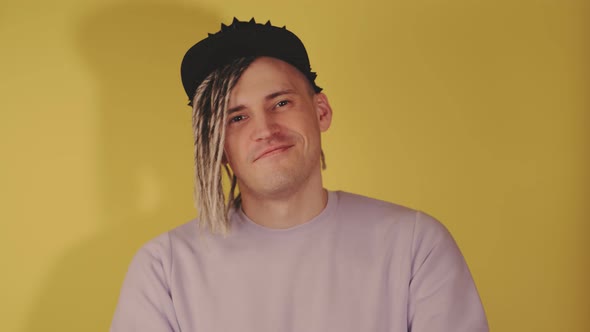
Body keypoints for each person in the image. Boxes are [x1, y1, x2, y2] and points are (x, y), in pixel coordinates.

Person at [110, 18, 489, 332]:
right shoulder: (165, 269)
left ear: (320, 111)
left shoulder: (415, 246)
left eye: (281, 102)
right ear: (217, 145)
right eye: (237, 117)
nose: (265, 128)